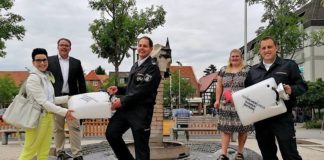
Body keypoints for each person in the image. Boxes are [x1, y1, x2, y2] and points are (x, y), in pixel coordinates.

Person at [245, 36, 308, 160]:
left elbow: (303, 86)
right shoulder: (253, 71)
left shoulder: (289, 65)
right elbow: (247, 94)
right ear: (260, 51)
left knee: (290, 155)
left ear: (276, 47)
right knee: (268, 155)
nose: (266, 50)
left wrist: (292, 89)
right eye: (263, 48)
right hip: (261, 120)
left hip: (283, 118)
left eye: (269, 47)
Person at [106, 36, 161, 160]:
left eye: (145, 46)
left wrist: (121, 101)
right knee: (112, 133)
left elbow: (142, 91)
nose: (141, 48)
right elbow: (133, 88)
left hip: (141, 113)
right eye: (139, 45)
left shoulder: (153, 68)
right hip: (126, 109)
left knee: (141, 148)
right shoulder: (135, 66)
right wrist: (119, 89)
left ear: (151, 49)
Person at [19, 48, 75, 160]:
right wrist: (64, 112)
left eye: (44, 60)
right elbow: (43, 102)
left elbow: (51, 100)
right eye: (38, 60)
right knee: (29, 151)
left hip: (48, 117)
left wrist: (68, 98)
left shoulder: (45, 77)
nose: (42, 63)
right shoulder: (33, 79)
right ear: (33, 62)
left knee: (44, 151)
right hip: (37, 119)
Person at [48, 38, 87, 160]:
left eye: (66, 45)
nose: (64, 47)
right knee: (58, 128)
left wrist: (83, 100)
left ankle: (77, 154)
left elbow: (81, 83)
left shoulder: (76, 62)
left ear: (70, 48)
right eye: (61, 45)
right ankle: (60, 152)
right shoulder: (49, 61)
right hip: (56, 99)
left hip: (72, 99)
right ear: (57, 47)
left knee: (74, 127)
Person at [214, 49, 254, 160]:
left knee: (243, 129)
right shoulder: (223, 69)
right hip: (225, 104)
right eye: (233, 56)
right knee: (225, 129)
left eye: (237, 56)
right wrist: (217, 100)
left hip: (242, 103)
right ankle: (223, 154)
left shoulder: (248, 70)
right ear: (230, 58)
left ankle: (240, 153)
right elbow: (219, 86)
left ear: (241, 57)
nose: (235, 58)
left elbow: (252, 86)